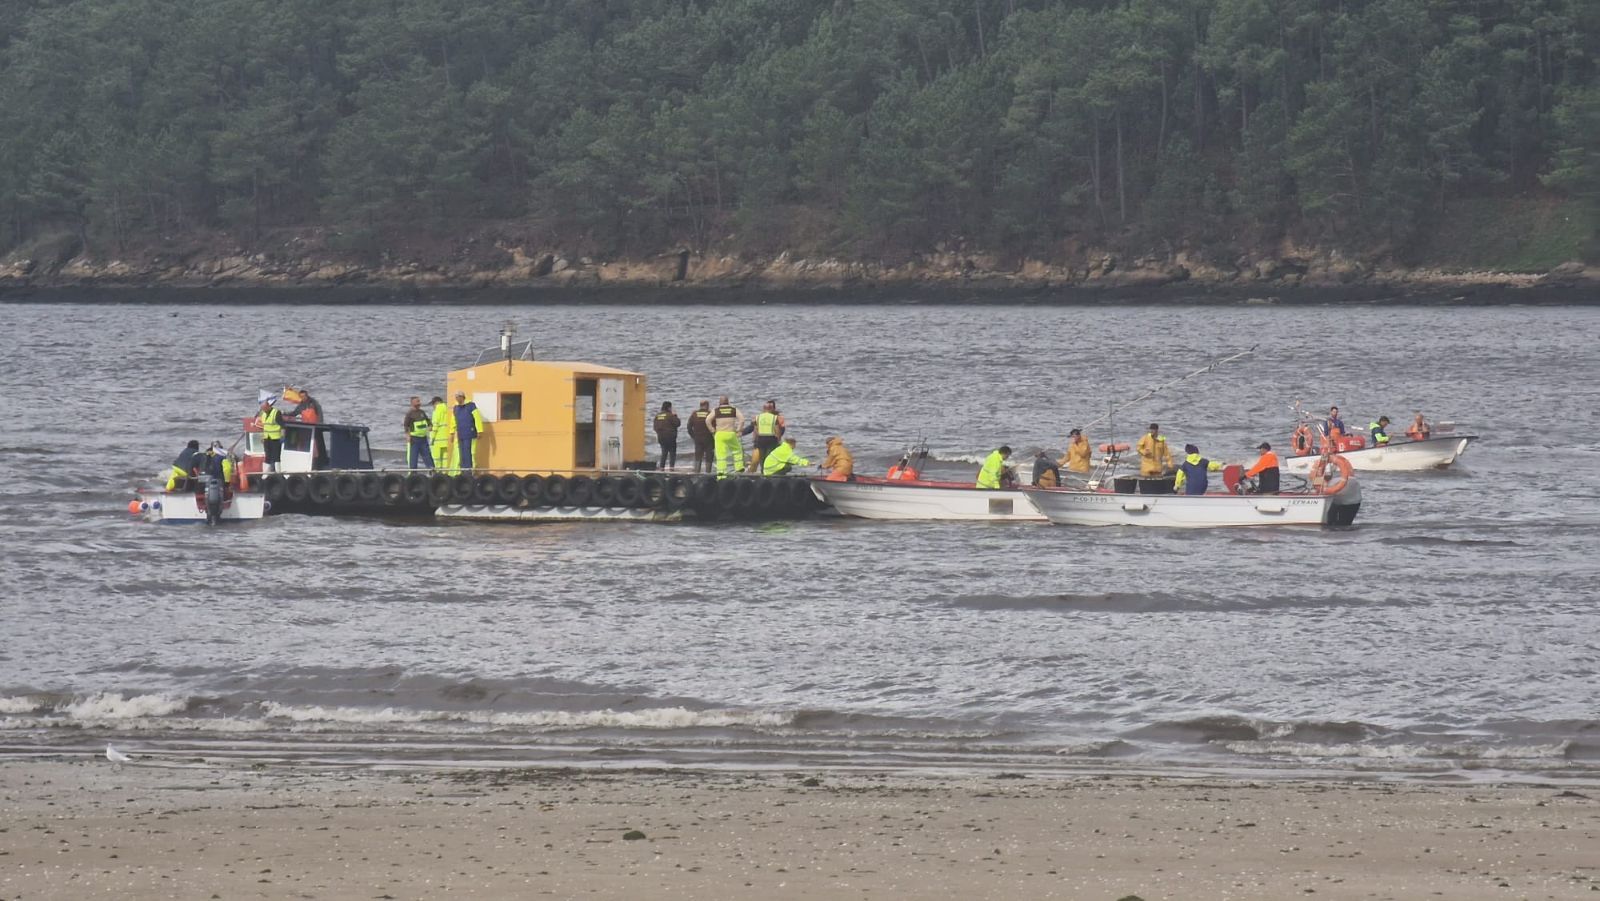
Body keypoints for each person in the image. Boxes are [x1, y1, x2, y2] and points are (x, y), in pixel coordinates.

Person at [708, 396, 744, 477]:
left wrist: (712, 430)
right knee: (737, 450)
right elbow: (742, 419)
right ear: (728, 402)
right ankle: (739, 468)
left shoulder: (716, 410)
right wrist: (739, 429)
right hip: (731, 433)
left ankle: (721, 473)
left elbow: (707, 420)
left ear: (720, 402)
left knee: (720, 455)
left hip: (720, 434)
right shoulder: (733, 409)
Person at [748, 400, 787, 472]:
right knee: (770, 457)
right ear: (771, 409)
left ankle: (763, 471)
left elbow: (755, 430)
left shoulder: (758, 417)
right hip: (771, 439)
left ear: (763, 409)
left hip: (760, 439)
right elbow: (777, 430)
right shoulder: (774, 417)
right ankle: (769, 472)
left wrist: (754, 440)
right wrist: (779, 440)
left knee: (762, 458)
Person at [453, 391, 483, 471]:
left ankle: (468, 469)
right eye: (456, 397)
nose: (456, 399)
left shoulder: (471, 406)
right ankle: (463, 469)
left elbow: (477, 418)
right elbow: (454, 420)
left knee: (467, 451)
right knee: (461, 452)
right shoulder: (456, 408)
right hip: (460, 433)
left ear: (462, 397)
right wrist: (451, 432)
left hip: (469, 432)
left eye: (458, 397)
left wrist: (479, 430)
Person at [403, 396, 433, 470]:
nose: (419, 403)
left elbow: (428, 420)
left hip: (423, 438)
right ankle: (413, 473)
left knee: (427, 456)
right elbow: (406, 425)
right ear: (412, 403)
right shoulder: (409, 413)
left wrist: (430, 426)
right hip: (414, 439)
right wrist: (407, 435)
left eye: (419, 401)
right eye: (417, 401)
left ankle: (432, 471)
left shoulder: (422, 412)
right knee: (414, 457)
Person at [429, 396, 456, 474]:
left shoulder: (437, 410)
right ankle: (445, 474)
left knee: (436, 459)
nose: (433, 407)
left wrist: (432, 438)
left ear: (437, 403)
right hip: (446, 439)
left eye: (433, 404)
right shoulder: (448, 409)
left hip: (437, 440)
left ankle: (437, 474)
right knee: (445, 459)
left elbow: (435, 425)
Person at [255, 399, 283, 473]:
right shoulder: (263, 414)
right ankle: (266, 473)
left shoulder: (276, 412)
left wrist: (282, 436)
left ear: (268, 406)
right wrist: (262, 436)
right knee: (267, 456)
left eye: (264, 408)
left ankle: (278, 472)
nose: (264, 410)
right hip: (267, 438)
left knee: (276, 456)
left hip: (275, 438)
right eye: (263, 409)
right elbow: (265, 427)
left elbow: (283, 426)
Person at [688, 400, 714, 474]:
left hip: (698, 438)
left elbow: (689, 427)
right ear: (707, 405)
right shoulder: (710, 414)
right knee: (709, 456)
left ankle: (696, 472)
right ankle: (708, 473)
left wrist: (693, 436)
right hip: (708, 438)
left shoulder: (694, 414)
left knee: (698, 455)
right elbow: (714, 426)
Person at [654, 401, 681, 470]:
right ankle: (671, 469)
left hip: (661, 437)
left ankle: (661, 468)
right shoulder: (670, 415)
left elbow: (655, 427)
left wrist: (660, 433)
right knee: (672, 453)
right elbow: (678, 423)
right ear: (669, 408)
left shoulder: (657, 416)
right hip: (670, 437)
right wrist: (675, 415)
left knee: (664, 453)